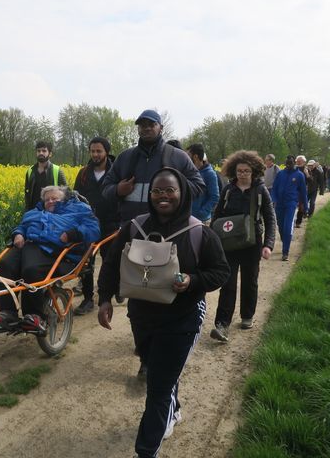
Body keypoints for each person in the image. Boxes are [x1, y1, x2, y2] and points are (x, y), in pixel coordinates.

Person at [97, 167, 229, 458]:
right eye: (157, 191)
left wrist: (193, 281)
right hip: (141, 317)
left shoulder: (199, 232)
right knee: (159, 370)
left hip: (182, 319)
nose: (163, 196)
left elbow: (221, 272)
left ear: (182, 194)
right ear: (150, 195)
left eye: (170, 190)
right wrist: (104, 298)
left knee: (157, 389)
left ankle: (146, 450)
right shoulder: (134, 227)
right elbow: (110, 265)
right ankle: (175, 409)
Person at [101, 109, 205, 371]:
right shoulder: (126, 158)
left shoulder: (176, 156)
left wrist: (174, 193)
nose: (145, 128)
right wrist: (119, 190)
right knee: (138, 301)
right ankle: (146, 355)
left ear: (160, 127)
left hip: (168, 236)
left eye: (151, 124)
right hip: (135, 233)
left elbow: (198, 184)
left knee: (162, 295)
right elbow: (106, 189)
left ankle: (162, 352)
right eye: (142, 125)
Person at [0, 186, 100, 333]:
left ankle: (35, 315)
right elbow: (22, 226)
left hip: (56, 251)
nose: (50, 201)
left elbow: (93, 229)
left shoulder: (79, 209)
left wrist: (74, 234)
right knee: (6, 265)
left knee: (31, 270)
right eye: (47, 199)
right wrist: (18, 234)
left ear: (64, 199)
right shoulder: (35, 212)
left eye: (54, 198)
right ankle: (8, 313)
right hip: (29, 246)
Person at [209, 150, 276, 342]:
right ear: (234, 171)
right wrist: (213, 239)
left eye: (246, 171)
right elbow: (217, 215)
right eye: (239, 171)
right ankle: (222, 325)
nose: (243, 174)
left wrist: (268, 244)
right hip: (229, 244)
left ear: (254, 171)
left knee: (250, 281)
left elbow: (270, 219)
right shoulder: (228, 190)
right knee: (227, 284)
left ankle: (247, 316)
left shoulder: (261, 191)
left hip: (252, 244)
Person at [72, 137, 119, 315]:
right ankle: (88, 299)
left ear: (106, 152)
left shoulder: (116, 172)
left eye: (99, 151)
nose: (95, 154)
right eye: (92, 151)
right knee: (86, 262)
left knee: (109, 261)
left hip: (111, 223)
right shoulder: (84, 173)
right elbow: (76, 199)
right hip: (89, 224)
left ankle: (109, 292)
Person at [271, 155, 308, 261]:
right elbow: (274, 188)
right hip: (279, 205)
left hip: (291, 204)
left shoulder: (299, 175)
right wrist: (273, 199)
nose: (289, 165)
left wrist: (305, 207)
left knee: (287, 227)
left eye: (291, 163)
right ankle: (285, 240)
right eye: (287, 163)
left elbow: (303, 192)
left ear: (294, 163)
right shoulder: (280, 174)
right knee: (281, 226)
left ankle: (285, 252)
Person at [24, 141, 67, 211]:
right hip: (34, 211)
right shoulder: (30, 171)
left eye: (44, 151)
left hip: (53, 212)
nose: (41, 153)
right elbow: (27, 194)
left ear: (50, 154)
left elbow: (66, 193)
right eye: (38, 151)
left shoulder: (57, 170)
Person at [187, 143, 219, 223]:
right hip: (188, 218)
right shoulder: (189, 172)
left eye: (188, 155)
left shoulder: (210, 174)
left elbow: (214, 197)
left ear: (195, 157)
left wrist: (202, 213)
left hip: (202, 220)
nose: (186, 158)